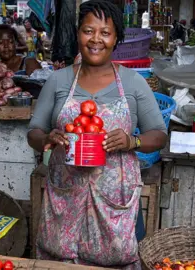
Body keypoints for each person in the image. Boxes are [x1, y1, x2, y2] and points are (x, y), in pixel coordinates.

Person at [27, 0, 167, 268]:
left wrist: (131, 141)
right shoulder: (58, 81)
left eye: (105, 33)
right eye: (88, 31)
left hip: (114, 200)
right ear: (78, 33)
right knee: (60, 260)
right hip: (65, 197)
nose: (96, 40)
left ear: (116, 39)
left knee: (118, 258)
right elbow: (33, 132)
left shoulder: (133, 82)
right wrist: (46, 139)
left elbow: (159, 135)